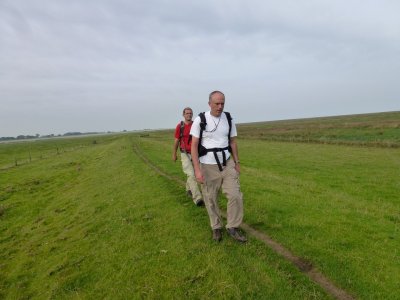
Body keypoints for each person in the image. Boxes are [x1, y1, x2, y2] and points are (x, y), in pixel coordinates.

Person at [190, 91, 247, 243]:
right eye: (217, 103)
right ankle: (216, 227)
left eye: (222, 103)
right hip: (207, 165)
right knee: (210, 198)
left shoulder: (228, 118)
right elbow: (194, 145)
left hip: (227, 163)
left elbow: (233, 142)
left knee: (235, 195)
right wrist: (197, 169)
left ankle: (233, 226)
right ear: (209, 103)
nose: (220, 106)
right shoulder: (200, 120)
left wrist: (237, 162)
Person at [173, 107, 204, 207]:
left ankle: (188, 189)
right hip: (184, 153)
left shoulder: (196, 125)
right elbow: (176, 141)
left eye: (190, 113)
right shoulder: (180, 126)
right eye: (187, 113)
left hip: (195, 153)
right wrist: (174, 154)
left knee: (192, 173)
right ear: (183, 115)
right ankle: (197, 198)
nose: (189, 115)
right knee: (191, 174)